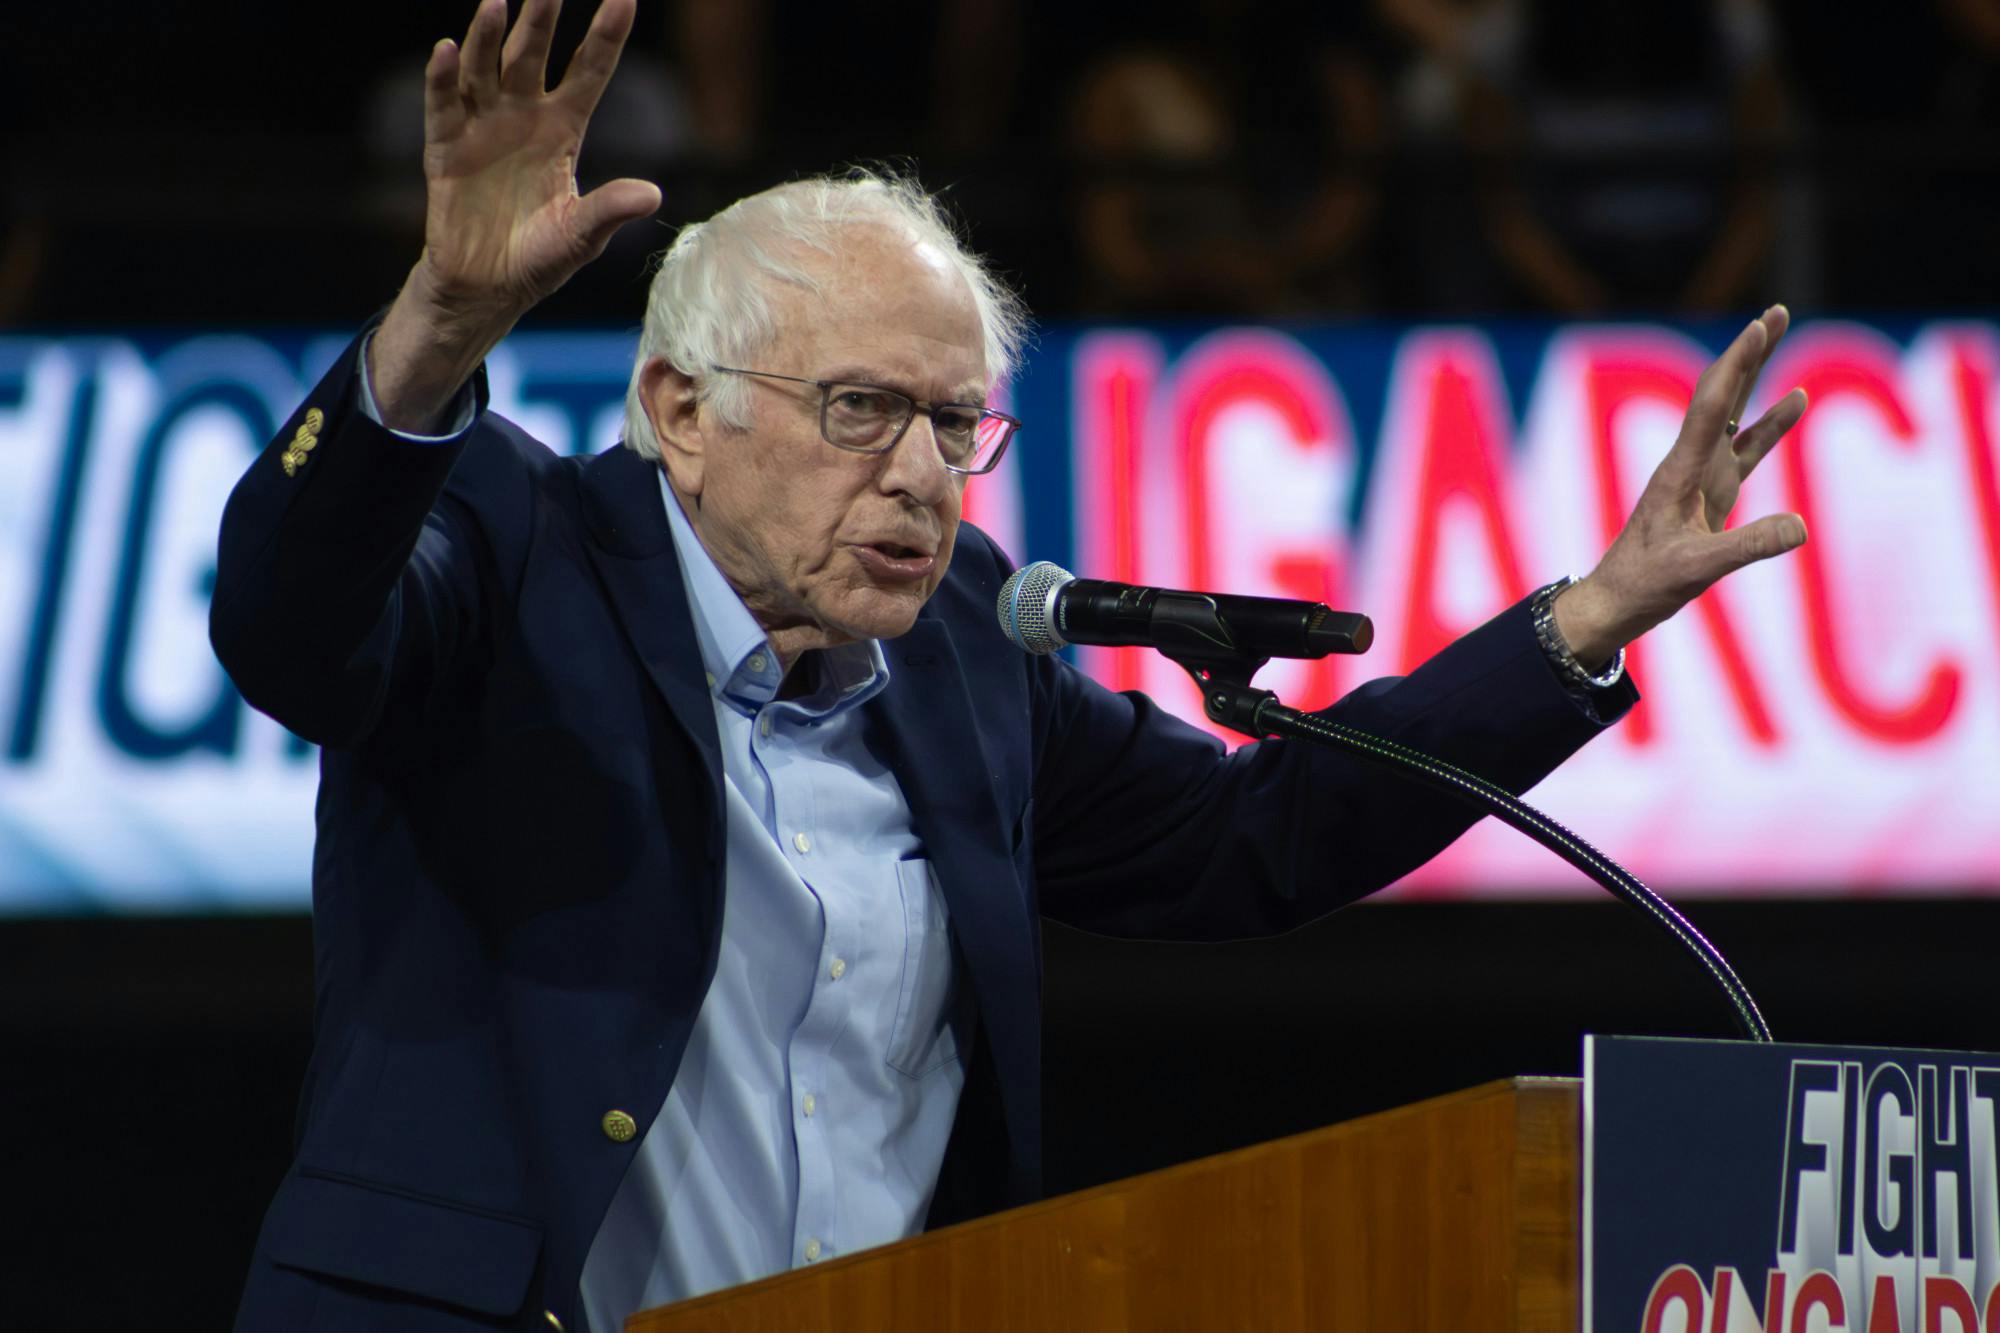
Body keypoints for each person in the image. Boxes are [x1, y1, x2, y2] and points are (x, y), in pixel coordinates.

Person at [210, 1, 1810, 1329]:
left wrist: (1586, 620)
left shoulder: (964, 642)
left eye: (954, 422)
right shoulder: (513, 539)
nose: (921, 473)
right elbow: (288, 628)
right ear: (683, 413)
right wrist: (436, 325)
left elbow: (1251, 842)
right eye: (861, 410)